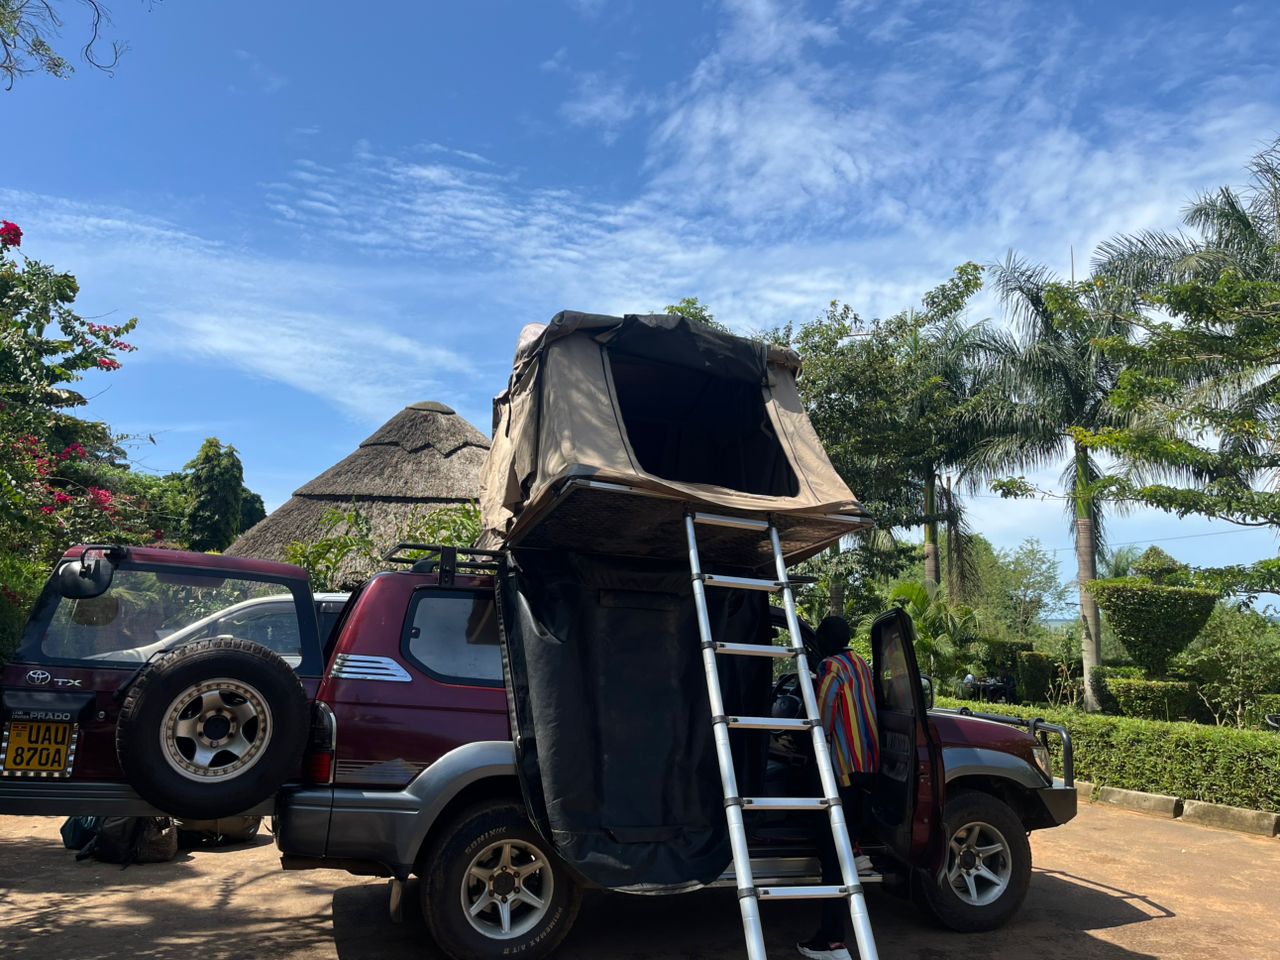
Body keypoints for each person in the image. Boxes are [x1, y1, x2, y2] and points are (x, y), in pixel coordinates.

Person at [797, 615, 879, 960]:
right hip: (867, 764)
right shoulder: (860, 662)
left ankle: (832, 941)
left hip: (842, 767)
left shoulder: (830, 667)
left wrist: (805, 739)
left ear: (824, 643)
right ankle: (858, 850)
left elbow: (822, 715)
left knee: (831, 854)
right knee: (844, 838)